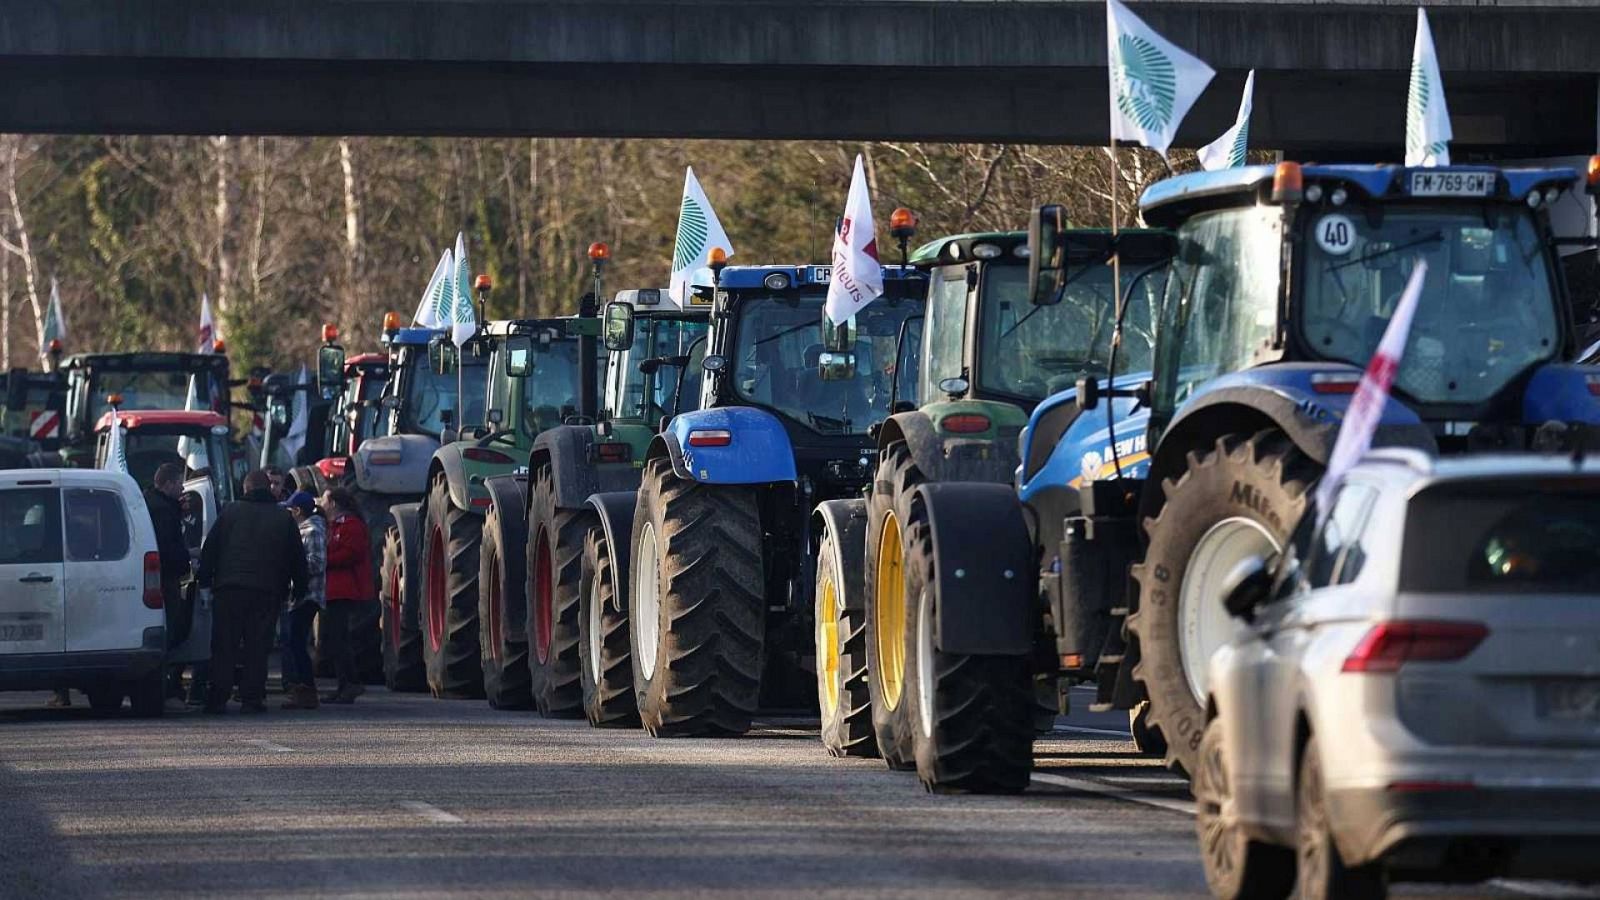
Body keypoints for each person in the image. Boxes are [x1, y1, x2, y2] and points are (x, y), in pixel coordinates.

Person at [197, 469, 308, 714]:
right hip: (266, 592)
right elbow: (297, 558)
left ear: (245, 489)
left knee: (224, 646)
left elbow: (210, 550)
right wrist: (300, 589)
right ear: (268, 488)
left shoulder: (230, 513)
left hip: (229, 590)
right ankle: (252, 698)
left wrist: (204, 583)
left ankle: (217, 697)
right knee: (258, 647)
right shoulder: (284, 518)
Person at [319, 487, 372, 704]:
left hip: (344, 589)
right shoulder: (334, 526)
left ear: (332, 503)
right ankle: (344, 684)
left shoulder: (351, 525)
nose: (321, 503)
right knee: (335, 639)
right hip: (333, 589)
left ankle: (350, 682)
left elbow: (352, 553)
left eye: (324, 500)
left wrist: (325, 558)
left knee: (340, 639)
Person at [280, 491, 327, 710]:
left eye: (290, 510)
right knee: (292, 641)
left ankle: (307, 689)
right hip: (299, 596)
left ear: (298, 511)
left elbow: (317, 563)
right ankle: (301, 688)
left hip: (308, 596)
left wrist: (293, 564)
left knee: (297, 642)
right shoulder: (301, 530)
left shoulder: (313, 530)